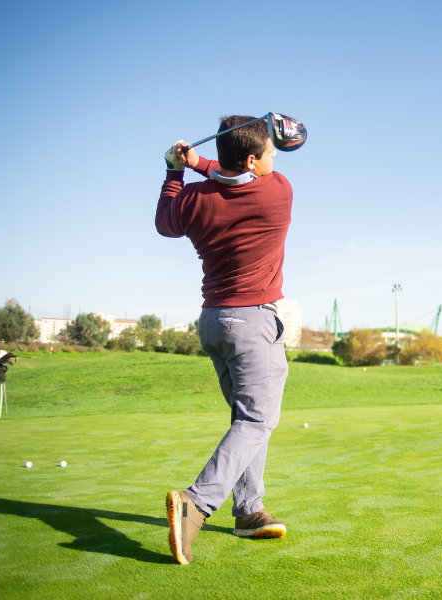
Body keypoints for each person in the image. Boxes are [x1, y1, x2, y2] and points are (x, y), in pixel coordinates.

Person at [156, 115, 293, 565]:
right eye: (270, 153)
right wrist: (199, 163)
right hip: (253, 323)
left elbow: (165, 223)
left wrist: (178, 169)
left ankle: (249, 510)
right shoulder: (277, 192)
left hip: (213, 322)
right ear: (253, 160)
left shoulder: (193, 199)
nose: (275, 159)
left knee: (246, 418)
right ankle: (197, 503)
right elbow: (233, 175)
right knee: (257, 421)